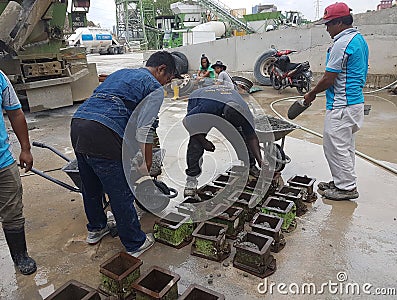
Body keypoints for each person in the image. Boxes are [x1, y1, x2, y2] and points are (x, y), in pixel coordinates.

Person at [70, 51, 179, 257]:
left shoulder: (120, 74)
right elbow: (144, 129)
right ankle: (135, 242)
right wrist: (145, 163)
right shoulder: (154, 88)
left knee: (91, 185)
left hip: (78, 124)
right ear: (161, 69)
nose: (166, 84)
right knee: (120, 191)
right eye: (168, 79)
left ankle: (96, 228)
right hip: (103, 131)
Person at [304, 2, 368, 200]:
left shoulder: (343, 43)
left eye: (329, 24)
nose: (327, 29)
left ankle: (346, 187)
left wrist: (312, 93)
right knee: (345, 147)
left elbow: (329, 78)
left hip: (342, 105)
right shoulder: (358, 39)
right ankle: (342, 181)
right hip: (353, 103)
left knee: (335, 147)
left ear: (340, 22)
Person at [183, 86, 263, 197]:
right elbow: (187, 122)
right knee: (195, 143)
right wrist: (204, 141)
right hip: (200, 102)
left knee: (241, 139)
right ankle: (191, 179)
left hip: (222, 103)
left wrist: (261, 161)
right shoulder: (207, 107)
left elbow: (252, 137)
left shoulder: (244, 110)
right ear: (224, 116)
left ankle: (251, 166)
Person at [0, 70, 36, 275]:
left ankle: (20, 256)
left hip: (3, 162)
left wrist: (25, 149)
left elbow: (15, 112)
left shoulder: (0, 78)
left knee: (13, 211)